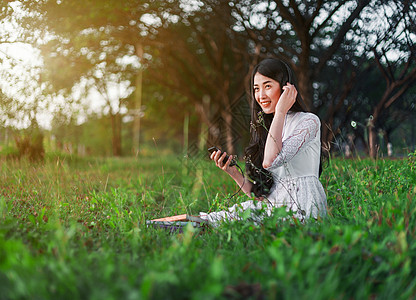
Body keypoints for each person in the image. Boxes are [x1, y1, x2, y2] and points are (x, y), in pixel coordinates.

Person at [199, 58, 327, 226]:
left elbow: (270, 161)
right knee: (215, 219)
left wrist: (281, 110)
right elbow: (260, 195)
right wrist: (233, 172)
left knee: (231, 222)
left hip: (302, 208)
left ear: (286, 88)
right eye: (256, 89)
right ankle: (162, 226)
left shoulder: (309, 121)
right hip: (272, 206)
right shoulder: (268, 128)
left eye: (267, 86)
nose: (260, 96)